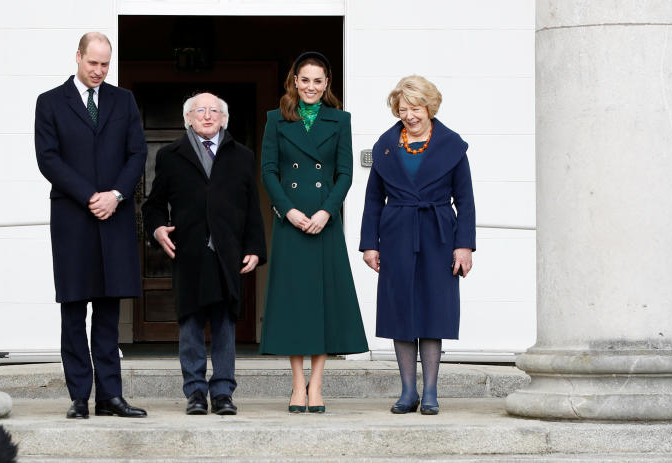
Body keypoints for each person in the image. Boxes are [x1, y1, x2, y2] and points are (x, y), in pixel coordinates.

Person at [34, 32, 148, 419]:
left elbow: (137, 153)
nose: (98, 71)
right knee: (73, 309)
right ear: (78, 57)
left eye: (105, 64)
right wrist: (90, 196)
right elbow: (48, 159)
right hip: (73, 219)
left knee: (108, 310)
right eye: (92, 63)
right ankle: (80, 396)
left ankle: (110, 397)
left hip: (113, 217)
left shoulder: (124, 100)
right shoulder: (50, 102)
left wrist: (114, 194)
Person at [143, 93, 267, 415]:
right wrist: (157, 230)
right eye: (200, 111)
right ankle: (195, 393)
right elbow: (153, 204)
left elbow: (252, 206)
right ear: (188, 118)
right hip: (190, 253)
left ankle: (223, 392)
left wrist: (254, 247)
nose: (208, 116)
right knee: (191, 324)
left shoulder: (241, 156)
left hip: (227, 253)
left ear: (224, 119)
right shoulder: (171, 155)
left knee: (225, 324)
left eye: (215, 111)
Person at [359, 75, 476, 415]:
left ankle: (431, 392)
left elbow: (465, 201)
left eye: (415, 108)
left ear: (430, 107)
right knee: (401, 311)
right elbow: (372, 201)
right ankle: (407, 391)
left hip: (439, 235)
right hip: (396, 235)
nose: (409, 115)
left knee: (433, 310)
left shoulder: (452, 145)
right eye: (402, 109)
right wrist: (370, 244)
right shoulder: (385, 146)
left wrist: (463, 246)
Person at [259, 52, 368, 413]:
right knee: (295, 305)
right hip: (290, 222)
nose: (310, 87)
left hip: (324, 223)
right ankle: (296, 387)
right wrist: (288, 210)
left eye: (317, 81)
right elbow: (269, 171)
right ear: (294, 81)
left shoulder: (341, 120)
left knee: (321, 306)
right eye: (304, 80)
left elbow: (345, 173)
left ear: (327, 84)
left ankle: (317, 386)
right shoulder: (276, 119)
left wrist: (326, 210)